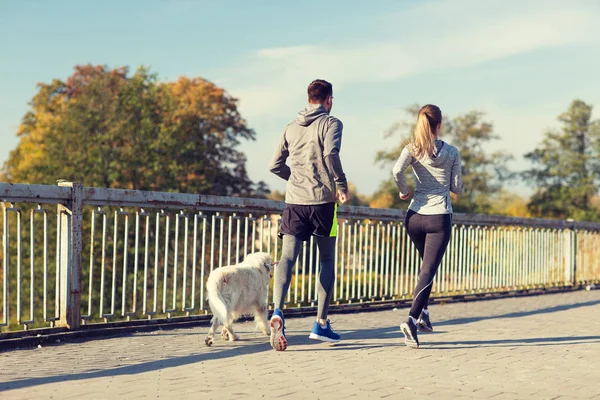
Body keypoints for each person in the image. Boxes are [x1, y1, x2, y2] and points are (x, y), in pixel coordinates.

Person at [268, 79, 350, 351]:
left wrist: (294, 179)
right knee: (326, 259)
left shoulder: (291, 127)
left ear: (308, 98)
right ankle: (321, 324)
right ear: (328, 99)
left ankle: (278, 310)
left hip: (294, 203)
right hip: (323, 203)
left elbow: (274, 165)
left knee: (287, 258)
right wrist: (341, 185)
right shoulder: (331, 123)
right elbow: (331, 154)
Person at [392, 104, 462, 349]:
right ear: (439, 125)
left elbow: (396, 170)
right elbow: (456, 187)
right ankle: (411, 319)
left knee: (425, 268)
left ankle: (424, 313)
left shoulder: (412, 149)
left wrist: (404, 191)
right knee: (428, 271)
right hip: (438, 218)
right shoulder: (452, 152)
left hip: (414, 217)